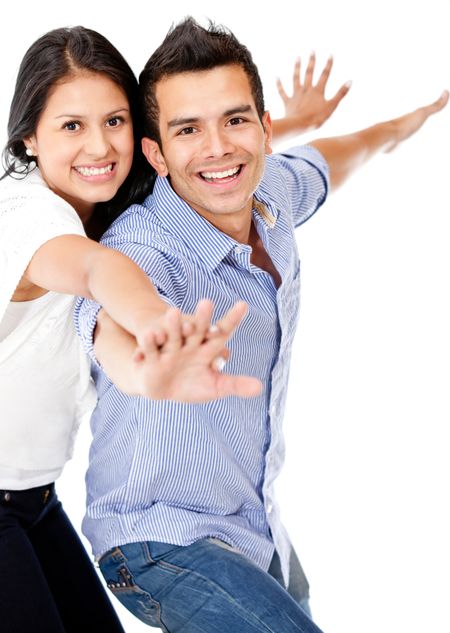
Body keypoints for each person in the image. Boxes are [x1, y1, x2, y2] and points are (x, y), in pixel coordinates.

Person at [74, 19, 448, 633]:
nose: (219, 147)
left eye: (235, 119)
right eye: (188, 129)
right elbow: (113, 314)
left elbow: (344, 153)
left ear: (266, 128)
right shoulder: (142, 246)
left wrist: (412, 120)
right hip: (157, 541)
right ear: (156, 154)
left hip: (253, 527)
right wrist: (152, 356)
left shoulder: (271, 192)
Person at [0, 24, 278, 633]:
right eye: (71, 126)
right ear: (28, 139)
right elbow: (97, 272)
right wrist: (160, 322)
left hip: (35, 500)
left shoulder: (112, 208)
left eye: (115, 121)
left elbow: (112, 347)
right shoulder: (25, 216)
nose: (99, 146)